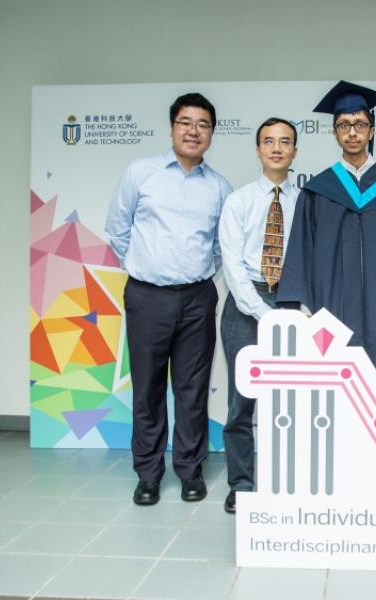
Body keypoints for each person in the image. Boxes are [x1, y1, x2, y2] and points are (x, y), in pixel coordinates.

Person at [105, 93, 231, 506]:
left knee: (192, 390)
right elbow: (118, 229)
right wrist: (148, 269)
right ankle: (148, 474)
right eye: (186, 122)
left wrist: (191, 277)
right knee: (148, 389)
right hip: (147, 296)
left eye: (203, 125)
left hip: (197, 297)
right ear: (172, 127)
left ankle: (190, 471)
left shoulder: (219, 186)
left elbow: (218, 247)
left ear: (212, 133)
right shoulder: (141, 173)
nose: (194, 131)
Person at [277, 81, 376, 372]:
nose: (352, 132)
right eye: (344, 125)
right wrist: (305, 311)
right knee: (331, 388)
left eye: (359, 124)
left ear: (372, 130)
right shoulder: (319, 190)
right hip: (326, 310)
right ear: (334, 132)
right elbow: (300, 250)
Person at [219, 118, 300, 512]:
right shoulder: (238, 201)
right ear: (257, 150)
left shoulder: (304, 201)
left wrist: (293, 310)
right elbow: (232, 268)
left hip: (291, 301)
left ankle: (294, 479)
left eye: (285, 142)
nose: (276, 148)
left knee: (294, 399)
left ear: (295, 152)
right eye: (268, 141)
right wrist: (261, 312)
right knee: (242, 400)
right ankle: (242, 483)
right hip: (245, 305)